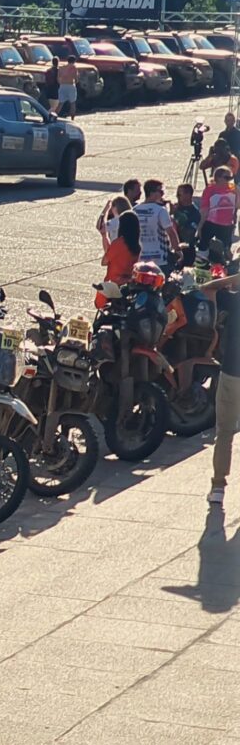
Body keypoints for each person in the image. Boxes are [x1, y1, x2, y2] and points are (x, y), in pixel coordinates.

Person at [195, 263, 240, 504]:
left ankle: (218, 486)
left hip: (233, 372)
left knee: (224, 431)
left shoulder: (234, 299)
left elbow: (207, 287)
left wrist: (233, 279)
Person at [98, 211, 140, 310]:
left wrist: (105, 236)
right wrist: (105, 236)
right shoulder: (137, 246)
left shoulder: (119, 243)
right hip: (128, 285)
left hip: (113, 284)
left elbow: (104, 261)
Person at [133, 178, 178, 264]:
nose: (163, 194)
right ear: (151, 193)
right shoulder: (160, 210)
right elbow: (171, 232)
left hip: (139, 258)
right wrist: (177, 250)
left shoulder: (134, 210)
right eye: (161, 192)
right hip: (159, 258)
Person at [202, 166, 238, 264]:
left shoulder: (233, 189)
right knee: (204, 247)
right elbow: (205, 209)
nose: (229, 180)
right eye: (227, 178)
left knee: (225, 248)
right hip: (211, 222)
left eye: (231, 178)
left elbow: (237, 206)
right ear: (218, 178)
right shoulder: (210, 189)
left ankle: (224, 268)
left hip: (227, 225)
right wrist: (200, 227)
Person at [99, 178, 140, 250]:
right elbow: (100, 226)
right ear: (129, 191)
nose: (140, 193)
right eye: (138, 190)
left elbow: (101, 227)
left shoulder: (138, 208)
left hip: (118, 250)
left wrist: (106, 209)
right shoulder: (135, 212)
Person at [175, 183, 203, 267]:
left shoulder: (195, 211)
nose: (179, 197)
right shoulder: (175, 208)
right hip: (176, 242)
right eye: (178, 194)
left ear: (189, 194)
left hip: (189, 244)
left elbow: (195, 228)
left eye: (181, 194)